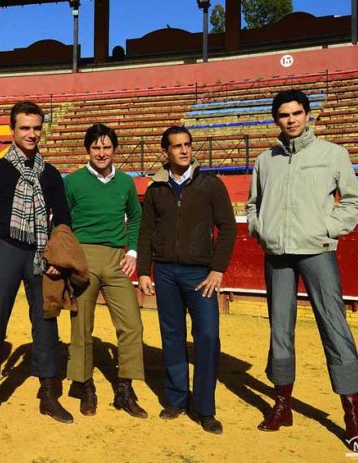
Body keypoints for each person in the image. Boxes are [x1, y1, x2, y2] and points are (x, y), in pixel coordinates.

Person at [246, 89, 358, 452]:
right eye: (284, 115)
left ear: (308, 114)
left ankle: (353, 418)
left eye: (297, 113)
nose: (292, 119)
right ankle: (282, 406)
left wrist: (325, 230)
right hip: (278, 254)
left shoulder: (333, 154)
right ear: (276, 119)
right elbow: (253, 204)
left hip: (316, 252)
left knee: (335, 327)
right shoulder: (265, 160)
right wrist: (260, 229)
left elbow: (353, 201)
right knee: (280, 329)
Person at [0, 101, 72, 428]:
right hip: (7, 250)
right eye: (24, 128)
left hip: (41, 255)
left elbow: (63, 218)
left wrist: (57, 257)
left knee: (46, 320)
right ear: (12, 130)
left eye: (36, 128)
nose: (31, 134)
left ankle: (48, 394)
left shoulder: (51, 174)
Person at [138, 125, 236, 434]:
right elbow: (145, 232)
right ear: (165, 152)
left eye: (187, 145)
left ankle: (205, 408)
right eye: (177, 146)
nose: (183, 150)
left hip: (200, 274)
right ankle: (177, 399)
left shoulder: (210, 184)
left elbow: (228, 228)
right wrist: (144, 270)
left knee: (207, 336)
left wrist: (217, 270)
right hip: (165, 272)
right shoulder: (156, 188)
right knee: (172, 336)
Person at [63, 124, 146, 418]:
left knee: (132, 325)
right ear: (88, 150)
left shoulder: (125, 183)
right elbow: (62, 223)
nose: (101, 153)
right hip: (83, 257)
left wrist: (133, 252)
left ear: (114, 150)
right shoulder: (72, 182)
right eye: (96, 147)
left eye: (107, 147)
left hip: (116, 258)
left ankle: (124, 389)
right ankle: (85, 385)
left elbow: (136, 218)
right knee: (81, 326)